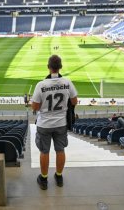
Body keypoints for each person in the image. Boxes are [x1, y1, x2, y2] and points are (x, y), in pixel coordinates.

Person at [32, 55, 78, 190]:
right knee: (60, 150)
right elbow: (75, 101)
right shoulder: (67, 82)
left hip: (44, 124)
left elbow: (34, 107)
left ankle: (44, 179)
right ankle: (58, 177)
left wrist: (44, 106)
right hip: (61, 123)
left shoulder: (41, 84)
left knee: (44, 152)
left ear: (48, 67)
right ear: (60, 67)